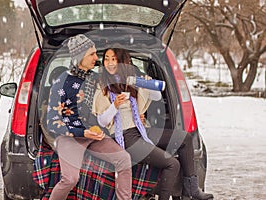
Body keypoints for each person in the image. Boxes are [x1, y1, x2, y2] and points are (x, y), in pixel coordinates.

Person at [93, 48, 214, 200]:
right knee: (173, 164)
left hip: (142, 129)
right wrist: (115, 106)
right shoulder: (103, 86)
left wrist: (149, 84)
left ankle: (192, 189)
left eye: (113, 59)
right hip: (125, 136)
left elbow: (156, 97)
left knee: (185, 138)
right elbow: (102, 121)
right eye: (106, 59)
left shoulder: (131, 82)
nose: (109, 63)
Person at [45, 35, 132, 200]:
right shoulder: (62, 82)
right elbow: (52, 122)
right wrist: (81, 133)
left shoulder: (94, 78)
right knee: (70, 179)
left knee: (124, 159)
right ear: (79, 57)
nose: (96, 57)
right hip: (70, 137)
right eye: (91, 54)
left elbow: (116, 80)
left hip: (95, 134)